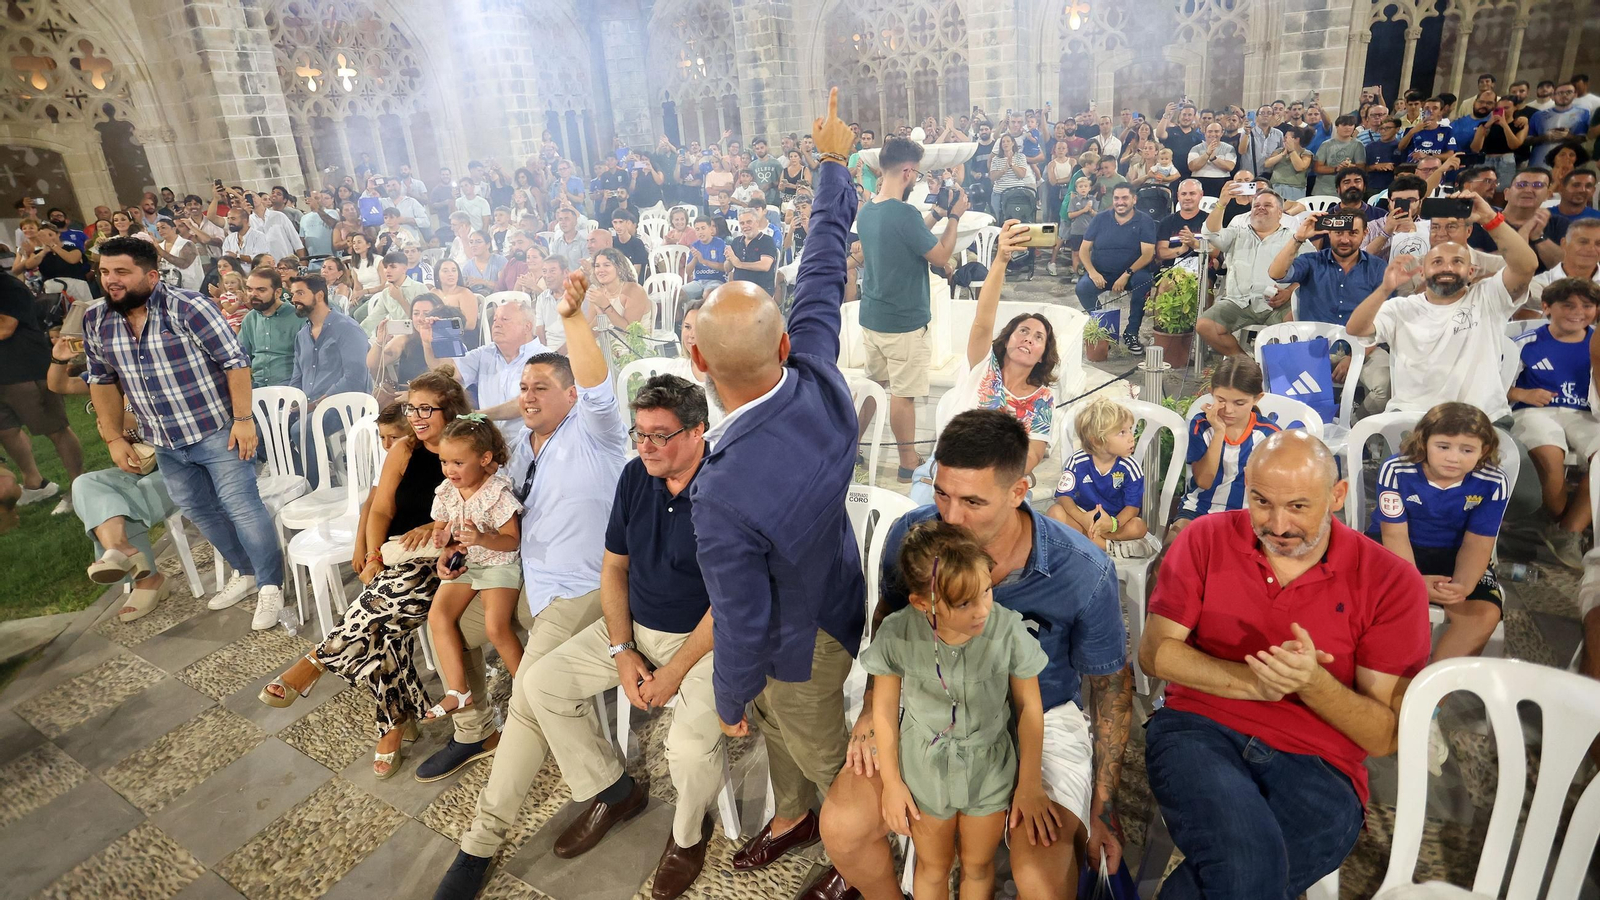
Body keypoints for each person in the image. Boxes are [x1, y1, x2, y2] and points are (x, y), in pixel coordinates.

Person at [812, 410, 1132, 900]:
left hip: (1038, 714)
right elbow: (889, 620)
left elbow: (1110, 688)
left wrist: (1103, 808)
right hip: (927, 706)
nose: (950, 516)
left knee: (1043, 881)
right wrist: (872, 712)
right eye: (942, 492)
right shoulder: (915, 536)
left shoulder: (1082, 570)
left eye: (972, 501)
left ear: (1019, 491)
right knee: (844, 827)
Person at [677, 89, 867, 887]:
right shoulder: (818, 378)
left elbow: (743, 621)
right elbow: (823, 264)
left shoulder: (721, 491)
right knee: (790, 739)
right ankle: (794, 817)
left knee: (818, 743)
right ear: (786, 343)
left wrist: (728, 700)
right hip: (842, 585)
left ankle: (861, 850)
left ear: (695, 365)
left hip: (801, 640)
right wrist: (832, 165)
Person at [1141, 430, 1429, 898]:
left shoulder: (1392, 582)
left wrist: (1313, 684)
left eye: (1298, 506)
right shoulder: (1205, 538)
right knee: (1245, 872)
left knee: (1240, 878)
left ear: (1337, 496)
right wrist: (1258, 684)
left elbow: (1381, 735)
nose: (1277, 525)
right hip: (1199, 729)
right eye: (1261, 502)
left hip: (1323, 766)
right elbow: (1155, 653)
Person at [427, 272, 629, 894]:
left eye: (543, 387)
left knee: (529, 699)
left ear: (569, 394)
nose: (529, 395)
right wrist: (458, 546)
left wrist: (572, 320)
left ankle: (481, 841)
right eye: (523, 387)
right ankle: (471, 726)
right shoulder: (519, 445)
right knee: (446, 624)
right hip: (526, 586)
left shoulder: (596, 433)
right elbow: (479, 476)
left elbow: (595, 386)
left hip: (583, 591)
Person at [505, 375, 726, 900]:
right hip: (635, 628)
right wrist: (623, 650)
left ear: (698, 431)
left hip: (707, 642)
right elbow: (614, 569)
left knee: (689, 749)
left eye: (659, 435)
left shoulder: (725, 489)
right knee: (542, 685)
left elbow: (732, 603)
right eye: (639, 433)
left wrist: (673, 672)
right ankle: (615, 789)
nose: (644, 446)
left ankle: (689, 835)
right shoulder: (635, 476)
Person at [259, 369, 468, 773]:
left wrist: (436, 526)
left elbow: (475, 506)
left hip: (438, 558)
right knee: (382, 629)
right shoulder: (403, 449)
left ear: (450, 410)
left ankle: (320, 661)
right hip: (394, 555)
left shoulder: (465, 448)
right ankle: (395, 720)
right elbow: (382, 507)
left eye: (427, 408)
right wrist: (372, 555)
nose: (417, 416)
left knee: (372, 617)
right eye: (412, 407)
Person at [84, 237, 284, 627]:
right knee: (199, 511)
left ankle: (270, 586)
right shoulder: (97, 319)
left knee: (242, 507)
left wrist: (243, 420)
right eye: (105, 272)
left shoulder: (187, 307)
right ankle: (244, 572)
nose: (112, 281)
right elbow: (101, 380)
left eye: (122, 272)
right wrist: (113, 437)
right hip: (164, 440)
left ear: (151, 275)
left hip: (216, 430)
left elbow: (235, 362)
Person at [865, 520, 1050, 900]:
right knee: (933, 867)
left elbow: (1030, 706)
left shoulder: (1008, 630)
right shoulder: (898, 634)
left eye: (986, 591)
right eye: (964, 603)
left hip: (991, 769)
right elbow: (883, 711)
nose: (982, 610)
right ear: (921, 603)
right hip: (924, 772)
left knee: (978, 867)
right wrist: (892, 783)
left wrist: (1030, 783)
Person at [1347, 190, 1538, 423]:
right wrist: (1385, 289)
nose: (1446, 268)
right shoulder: (1401, 307)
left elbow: (1526, 266)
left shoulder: (1489, 296)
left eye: (1456, 262)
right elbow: (1355, 329)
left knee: (1520, 458)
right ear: (1423, 270)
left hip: (1481, 418)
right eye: (1437, 262)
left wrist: (1489, 217)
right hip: (1412, 418)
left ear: (1471, 271)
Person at [856, 134, 967, 480]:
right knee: (903, 396)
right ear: (906, 172)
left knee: (874, 387)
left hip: (873, 315)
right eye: (916, 174)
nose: (916, 178)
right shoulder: (904, 213)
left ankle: (850, 446)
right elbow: (940, 254)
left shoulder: (868, 209)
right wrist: (953, 217)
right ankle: (908, 463)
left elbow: (904, 239)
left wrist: (934, 214)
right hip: (902, 321)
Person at [45, 334, 175, 620]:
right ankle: (120, 549)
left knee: (122, 500)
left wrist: (113, 423)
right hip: (138, 467)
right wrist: (59, 357)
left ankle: (147, 579)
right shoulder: (110, 384)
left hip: (178, 465)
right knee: (85, 484)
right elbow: (59, 385)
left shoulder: (161, 375)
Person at [1372, 402, 1509, 667]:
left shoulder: (1493, 481)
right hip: (1398, 550)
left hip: (1455, 554)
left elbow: (1477, 543)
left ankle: (1429, 694)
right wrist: (1413, 583)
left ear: (1485, 450)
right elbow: (1394, 535)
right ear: (1424, 442)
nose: (1453, 457)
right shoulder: (1396, 470)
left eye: (1466, 450)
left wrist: (1461, 588)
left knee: (1484, 614)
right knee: (1369, 600)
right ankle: (1383, 676)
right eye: (1443, 446)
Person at [424, 416, 523, 719]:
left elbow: (512, 541)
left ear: (484, 459)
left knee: (496, 627)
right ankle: (459, 690)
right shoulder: (447, 491)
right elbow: (441, 529)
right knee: (437, 616)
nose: (449, 470)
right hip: (467, 565)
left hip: (498, 565)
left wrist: (482, 537)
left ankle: (528, 688)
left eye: (457, 463)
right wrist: (443, 541)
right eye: (444, 462)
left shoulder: (497, 495)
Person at [1510, 278, 1600, 568]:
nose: (1578, 312)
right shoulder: (1527, 342)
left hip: (1585, 415)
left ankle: (1568, 530)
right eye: (1568, 305)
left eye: (1587, 306)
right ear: (1547, 307)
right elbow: (1495, 383)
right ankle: (1559, 517)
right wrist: (1522, 392)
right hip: (1534, 411)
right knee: (1550, 454)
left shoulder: (1596, 341)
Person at [0, 272, 84, 516]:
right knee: (5, 432)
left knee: (55, 429)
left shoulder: (7, 286)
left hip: (25, 369)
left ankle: (79, 487)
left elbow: (6, 327)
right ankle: (35, 483)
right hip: (3, 374)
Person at [1171, 356, 1281, 537]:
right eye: (1221, 400)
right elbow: (1204, 482)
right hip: (1198, 510)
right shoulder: (1202, 425)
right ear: (1211, 392)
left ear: (1257, 399)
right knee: (1168, 559)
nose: (1229, 410)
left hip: (1249, 516)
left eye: (1239, 403)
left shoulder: (1270, 435)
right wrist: (1219, 432)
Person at [1195, 183, 1296, 358]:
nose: (1261, 208)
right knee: (1205, 325)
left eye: (1268, 205)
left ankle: (1278, 372)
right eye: (1256, 205)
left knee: (1295, 327)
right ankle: (1245, 364)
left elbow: (1313, 272)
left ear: (1280, 213)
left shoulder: (1293, 238)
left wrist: (1289, 292)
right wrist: (1222, 204)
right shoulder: (1237, 233)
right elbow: (1210, 233)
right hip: (1238, 302)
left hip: (1278, 304)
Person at [1049, 396, 1153, 554]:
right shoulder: (1077, 461)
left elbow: (1132, 508)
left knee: (1138, 526)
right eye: (1122, 433)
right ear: (1097, 441)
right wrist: (1082, 518)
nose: (1131, 438)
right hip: (1083, 518)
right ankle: (1109, 547)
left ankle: (1090, 542)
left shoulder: (1131, 468)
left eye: (1131, 429)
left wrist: (1112, 524)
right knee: (1054, 512)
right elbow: (1064, 496)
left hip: (1115, 523)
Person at [1076, 184, 1156, 354]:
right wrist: (1092, 272)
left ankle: (1131, 332)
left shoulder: (1144, 221)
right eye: (1116, 198)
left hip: (1133, 273)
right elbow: (1084, 249)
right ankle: (1104, 328)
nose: (1120, 202)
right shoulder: (1100, 219)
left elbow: (1148, 254)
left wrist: (1127, 274)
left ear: (1134, 200)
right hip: (1101, 273)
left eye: (1125, 198)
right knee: (1082, 288)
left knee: (1144, 282)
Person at [236, 266, 300, 388]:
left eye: (261, 290)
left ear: (277, 292)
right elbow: (241, 357)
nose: (253, 295)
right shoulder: (250, 318)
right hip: (256, 387)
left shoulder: (298, 318)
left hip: (288, 388)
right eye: (249, 289)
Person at [1528, 83, 1591, 167]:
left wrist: (1569, 136)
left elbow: (1585, 139)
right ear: (1553, 96)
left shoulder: (1583, 114)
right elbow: (1527, 140)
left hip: (1569, 165)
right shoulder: (1538, 115)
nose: (1564, 95)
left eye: (1569, 92)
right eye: (1560, 93)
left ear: (1575, 95)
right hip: (1539, 162)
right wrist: (1545, 137)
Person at [1155, 179, 1208, 270]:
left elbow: (1215, 251)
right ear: (1178, 196)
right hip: (1171, 269)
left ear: (1201, 195)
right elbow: (1160, 253)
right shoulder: (1167, 222)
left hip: (1202, 269)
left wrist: (1193, 243)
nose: (1187, 198)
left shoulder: (1209, 220)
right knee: (1165, 284)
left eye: (1192, 193)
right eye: (1183, 194)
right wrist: (1181, 249)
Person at [1188, 122, 1238, 196]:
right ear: (1205, 133)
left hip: (1221, 182)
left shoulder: (1229, 148)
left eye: (1216, 131)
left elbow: (1229, 167)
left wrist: (1213, 158)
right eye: (1210, 131)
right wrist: (1207, 154)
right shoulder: (1195, 148)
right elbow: (1192, 167)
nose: (1213, 134)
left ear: (1222, 133)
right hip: (1199, 182)